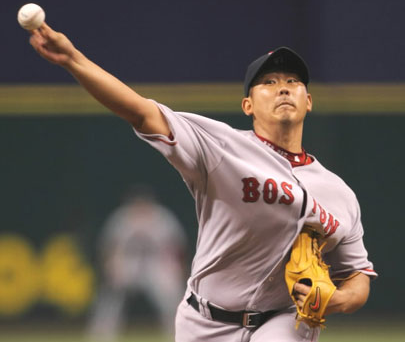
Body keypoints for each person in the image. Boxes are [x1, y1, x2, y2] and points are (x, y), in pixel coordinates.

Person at [28, 23, 377, 342]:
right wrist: (74, 60)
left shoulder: (339, 194)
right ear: (247, 105)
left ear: (308, 101)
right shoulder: (220, 147)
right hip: (205, 322)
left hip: (285, 320)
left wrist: (340, 299)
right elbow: (141, 111)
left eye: (293, 82)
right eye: (268, 83)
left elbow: (358, 273)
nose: (282, 88)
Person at [87, 186, 187, 341]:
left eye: (144, 204)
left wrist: (176, 269)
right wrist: (111, 267)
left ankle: (178, 333)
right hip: (129, 262)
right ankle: (102, 334)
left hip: (155, 263)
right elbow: (110, 248)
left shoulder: (163, 218)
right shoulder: (121, 218)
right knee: (112, 292)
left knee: (171, 294)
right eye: (137, 204)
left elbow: (176, 248)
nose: (140, 208)